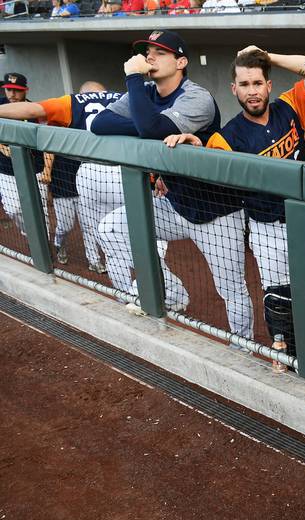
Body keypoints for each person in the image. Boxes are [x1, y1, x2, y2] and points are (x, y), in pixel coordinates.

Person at [164, 46, 305, 357]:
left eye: (257, 83)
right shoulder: (225, 138)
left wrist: (271, 58)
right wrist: (193, 146)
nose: (252, 92)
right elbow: (207, 171)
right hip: (269, 229)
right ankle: (288, 357)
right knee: (280, 302)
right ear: (234, 89)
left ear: (268, 85)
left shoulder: (291, 105)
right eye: (244, 85)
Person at [91, 31, 253, 342]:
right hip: (175, 202)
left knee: (230, 290)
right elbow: (100, 124)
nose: (150, 57)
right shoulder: (147, 92)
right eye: (148, 51)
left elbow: (152, 129)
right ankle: (175, 295)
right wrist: (144, 119)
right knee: (112, 228)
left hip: (216, 212)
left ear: (181, 62)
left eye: (160, 52)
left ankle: (242, 346)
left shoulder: (197, 97)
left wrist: (137, 91)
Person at [0, 82, 124, 273]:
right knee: (65, 225)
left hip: (92, 181)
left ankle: (95, 260)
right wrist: (48, 173)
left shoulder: (80, 108)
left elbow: (34, 110)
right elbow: (48, 148)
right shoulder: (62, 120)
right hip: (64, 183)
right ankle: (59, 242)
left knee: (91, 225)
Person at [0, 73, 50, 240]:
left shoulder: (35, 109)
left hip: (34, 166)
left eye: (17, 90)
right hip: (7, 169)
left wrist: (47, 169)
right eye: (9, 90)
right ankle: (30, 235)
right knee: (13, 209)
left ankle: (45, 242)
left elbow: (47, 139)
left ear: (26, 91)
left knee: (39, 208)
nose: (12, 94)